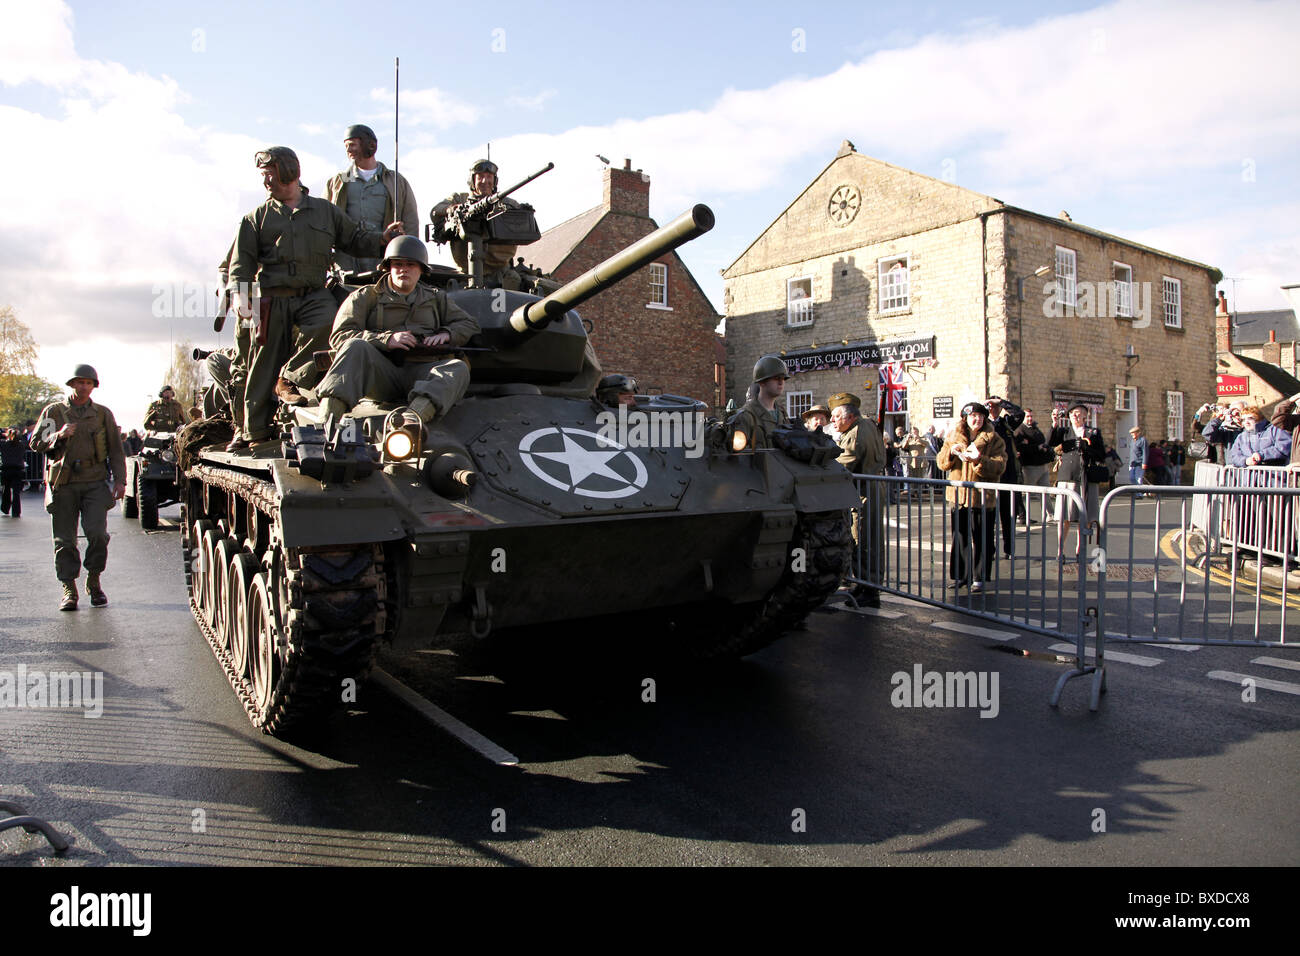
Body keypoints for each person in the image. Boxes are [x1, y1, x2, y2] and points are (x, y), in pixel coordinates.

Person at [227, 147, 402, 449]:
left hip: (314, 293)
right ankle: (252, 431)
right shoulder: (256, 218)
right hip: (272, 297)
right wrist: (240, 294)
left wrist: (382, 240)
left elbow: (354, 239)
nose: (266, 181)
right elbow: (241, 262)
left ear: (288, 171)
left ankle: (292, 377)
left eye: (270, 173)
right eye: (263, 175)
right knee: (262, 361)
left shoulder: (325, 211)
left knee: (330, 326)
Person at [315, 235, 481, 427]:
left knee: (457, 368)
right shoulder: (366, 296)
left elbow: (469, 324)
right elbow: (340, 336)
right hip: (381, 374)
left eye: (411, 264)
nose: (403, 269)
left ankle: (412, 420)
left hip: (422, 372)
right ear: (388, 268)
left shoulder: (436, 299)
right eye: (398, 264)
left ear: (421, 270)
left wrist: (447, 334)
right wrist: (386, 339)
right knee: (355, 346)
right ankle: (325, 423)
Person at [30, 365, 127, 610]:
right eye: (79, 382)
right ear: (72, 384)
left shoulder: (102, 414)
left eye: (88, 383)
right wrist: (58, 436)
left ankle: (94, 581)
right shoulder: (55, 412)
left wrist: (120, 480)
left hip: (94, 481)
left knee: (97, 535)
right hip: (64, 482)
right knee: (64, 540)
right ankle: (69, 588)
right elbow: (35, 443)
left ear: (94, 386)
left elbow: (116, 449)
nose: (83, 386)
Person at [325, 124, 420, 276]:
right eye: (346, 146)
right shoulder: (337, 183)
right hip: (347, 259)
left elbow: (410, 220)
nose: (348, 150)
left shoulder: (396, 181)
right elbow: (325, 222)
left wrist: (410, 255)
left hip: (383, 256)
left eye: (352, 145)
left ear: (370, 145)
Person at [936, 402, 1006, 592]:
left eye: (981, 416)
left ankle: (979, 578)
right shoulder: (953, 436)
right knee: (960, 538)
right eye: (973, 416)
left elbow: (1000, 466)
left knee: (982, 538)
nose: (977, 419)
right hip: (958, 496)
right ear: (965, 418)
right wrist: (951, 452)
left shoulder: (994, 439)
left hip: (982, 497)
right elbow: (941, 463)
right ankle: (961, 576)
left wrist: (978, 461)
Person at [430, 159, 523, 290]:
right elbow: (435, 211)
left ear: (495, 180)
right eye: (480, 177)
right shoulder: (460, 199)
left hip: (501, 274)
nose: (485, 181)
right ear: (472, 180)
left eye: (489, 177)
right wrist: (453, 209)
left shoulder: (508, 204)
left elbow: (522, 221)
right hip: (465, 274)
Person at [830, 393, 886, 606]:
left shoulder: (856, 432)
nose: (833, 420)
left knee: (863, 540)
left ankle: (869, 589)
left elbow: (842, 464)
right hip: (869, 489)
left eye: (836, 416)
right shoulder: (867, 425)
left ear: (849, 417)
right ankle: (866, 585)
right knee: (869, 539)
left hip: (864, 493)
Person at [1048, 403, 1105, 556]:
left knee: (1084, 517)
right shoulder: (1064, 432)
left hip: (1086, 479)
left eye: (1079, 413)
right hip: (1067, 478)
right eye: (1073, 413)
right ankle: (1061, 550)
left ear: (1085, 416)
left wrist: (1087, 448)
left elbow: (1101, 455)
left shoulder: (1093, 432)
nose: (1075, 416)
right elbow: (1050, 442)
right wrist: (1054, 424)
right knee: (1064, 518)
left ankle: (1081, 550)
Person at [985, 396, 1025, 556]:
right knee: (989, 516)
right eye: (990, 407)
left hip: (1008, 474)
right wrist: (984, 404)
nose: (993, 409)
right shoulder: (983, 424)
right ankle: (990, 549)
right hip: (989, 474)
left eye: (996, 407)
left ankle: (1009, 549)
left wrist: (1002, 402)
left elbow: (1019, 414)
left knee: (1009, 514)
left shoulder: (1006, 422)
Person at [728, 355, 790, 450]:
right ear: (762, 382)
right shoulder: (745, 416)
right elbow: (738, 457)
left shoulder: (782, 413)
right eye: (776, 378)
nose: (781, 382)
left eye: (783, 378)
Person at [1013, 409, 1053, 524]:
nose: (1030, 419)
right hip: (1030, 467)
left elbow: (1042, 441)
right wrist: (1037, 447)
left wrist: (1039, 446)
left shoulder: (1036, 429)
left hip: (1042, 465)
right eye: (1027, 417)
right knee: (1026, 493)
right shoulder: (1020, 430)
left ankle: (1050, 514)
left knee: (1045, 492)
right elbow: (1021, 448)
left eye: (1031, 416)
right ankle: (1023, 515)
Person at [1227, 406, 1292, 467]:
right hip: (1249, 476)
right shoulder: (1241, 437)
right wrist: (1245, 461)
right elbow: (1234, 456)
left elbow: (1284, 447)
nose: (1246, 422)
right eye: (1243, 419)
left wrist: (1262, 455)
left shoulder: (1274, 430)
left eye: (1250, 418)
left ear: (1259, 419)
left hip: (1272, 475)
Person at [1, 427, 27, 517]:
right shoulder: (21, 445)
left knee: (6, 489)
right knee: (16, 492)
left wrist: (3, 434)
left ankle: (5, 508)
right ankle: (16, 511)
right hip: (18, 469)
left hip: (6, 469)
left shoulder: (4, 444)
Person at [1127, 425, 1147, 493]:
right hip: (1132, 463)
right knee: (1132, 478)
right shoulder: (1132, 441)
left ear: (1138, 433)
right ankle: (1137, 491)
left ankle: (1139, 494)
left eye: (1133, 433)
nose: (1132, 435)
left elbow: (1145, 452)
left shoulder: (1142, 440)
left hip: (1139, 463)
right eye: (1131, 433)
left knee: (1138, 478)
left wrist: (1144, 463)